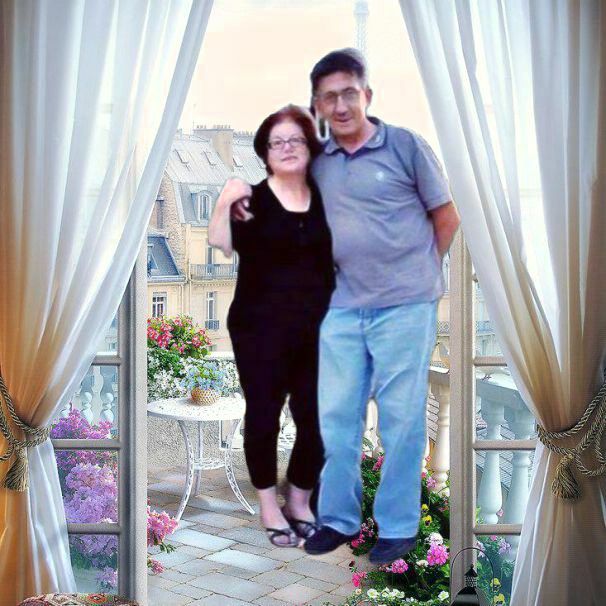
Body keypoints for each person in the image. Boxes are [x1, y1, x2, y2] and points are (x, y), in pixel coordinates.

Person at [299, 48, 461, 564]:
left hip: (405, 308)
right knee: (336, 418)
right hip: (343, 308)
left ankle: (397, 527)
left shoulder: (406, 146)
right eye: (329, 97)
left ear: (366, 95)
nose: (341, 105)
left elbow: (446, 217)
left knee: (401, 420)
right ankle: (338, 519)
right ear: (318, 106)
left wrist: (416, 275)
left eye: (349, 93)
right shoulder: (319, 164)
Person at [208, 105, 335, 547]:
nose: (286, 147)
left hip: (317, 329)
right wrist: (225, 198)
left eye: (295, 139)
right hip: (259, 328)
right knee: (263, 416)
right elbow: (220, 242)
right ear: (264, 151)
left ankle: (298, 498)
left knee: (317, 418)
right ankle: (268, 506)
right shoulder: (252, 202)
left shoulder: (327, 200)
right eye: (277, 141)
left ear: (309, 147)